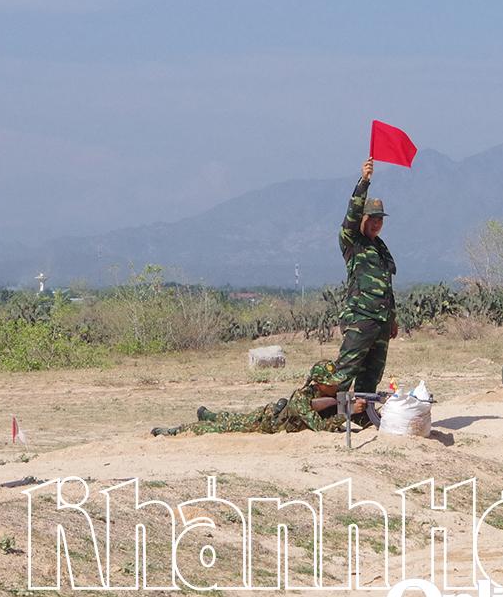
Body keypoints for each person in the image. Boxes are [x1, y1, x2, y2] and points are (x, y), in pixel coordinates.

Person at [151, 361, 365, 435]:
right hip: (265, 423)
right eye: (331, 383)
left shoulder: (323, 395)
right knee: (221, 428)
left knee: (233, 419)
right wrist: (346, 413)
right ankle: (174, 431)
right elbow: (319, 427)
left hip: (269, 416)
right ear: (318, 383)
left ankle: (210, 414)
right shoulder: (302, 397)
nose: (335, 386)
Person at [331, 158, 397, 394]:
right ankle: (326, 411)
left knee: (372, 375)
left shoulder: (380, 246)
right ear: (362, 219)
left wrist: (392, 317)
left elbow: (386, 284)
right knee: (344, 372)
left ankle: (363, 411)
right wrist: (364, 181)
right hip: (361, 318)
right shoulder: (353, 241)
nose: (376, 224)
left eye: (380, 220)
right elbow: (351, 215)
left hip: (380, 322)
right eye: (372, 219)